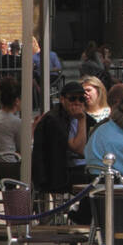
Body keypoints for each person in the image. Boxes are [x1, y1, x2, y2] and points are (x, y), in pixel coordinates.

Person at [31, 82, 97, 217]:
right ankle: (82, 216)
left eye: (81, 99)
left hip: (81, 167)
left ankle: (89, 217)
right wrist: (82, 120)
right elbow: (78, 148)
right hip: (58, 172)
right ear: (62, 100)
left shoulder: (90, 121)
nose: (77, 103)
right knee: (96, 181)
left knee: (104, 179)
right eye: (72, 98)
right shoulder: (53, 119)